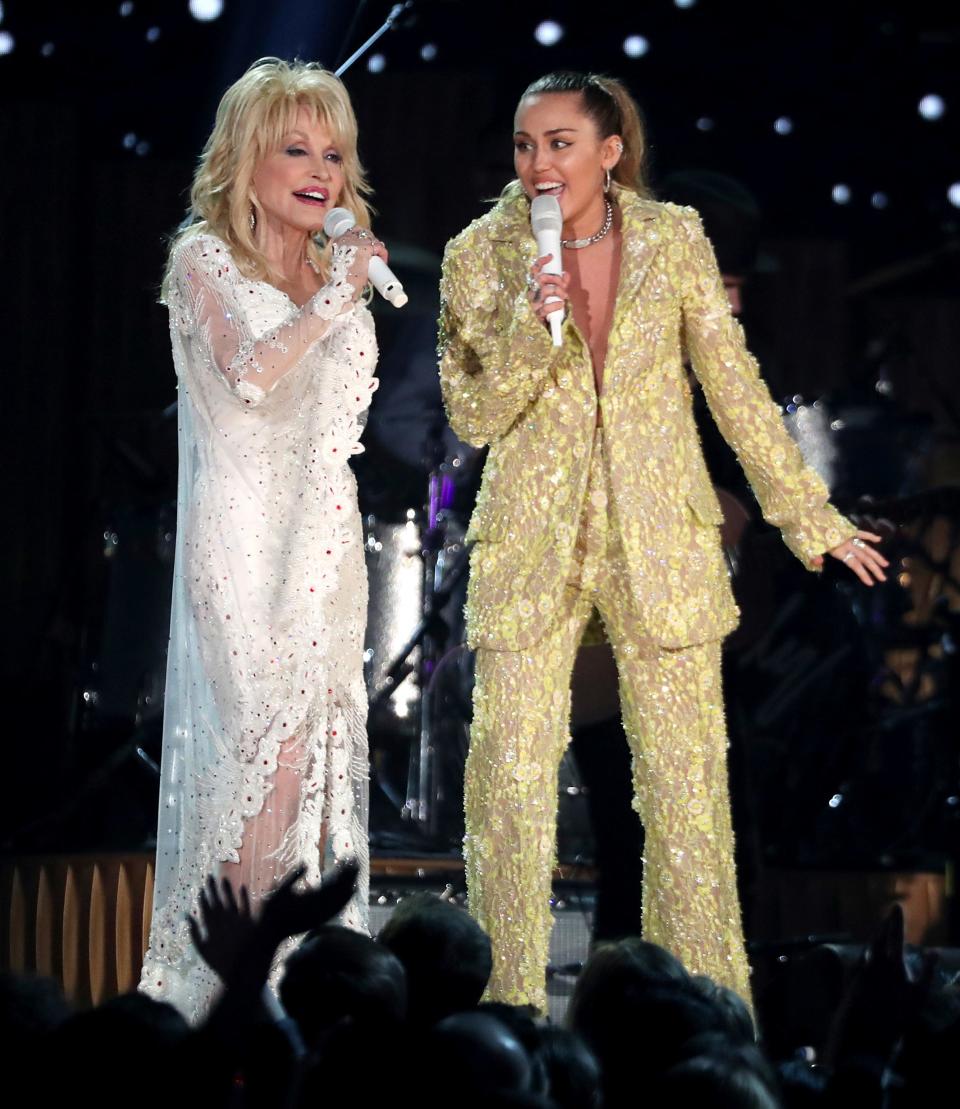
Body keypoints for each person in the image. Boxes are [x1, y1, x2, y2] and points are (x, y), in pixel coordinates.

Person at [438, 70, 888, 1012]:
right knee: (508, 791)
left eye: (561, 143)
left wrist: (810, 518)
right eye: (525, 145)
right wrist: (533, 318)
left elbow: (734, 384)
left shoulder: (675, 237)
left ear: (610, 151)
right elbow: (472, 411)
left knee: (688, 800)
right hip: (533, 538)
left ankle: (707, 1016)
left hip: (661, 536)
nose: (538, 164)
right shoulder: (478, 253)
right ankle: (503, 1019)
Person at [139, 57, 386, 1021]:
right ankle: (219, 1009)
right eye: (296, 147)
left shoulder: (338, 272)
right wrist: (334, 302)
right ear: (248, 159)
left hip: (323, 551)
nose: (320, 167)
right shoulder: (204, 259)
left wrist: (341, 289)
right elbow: (250, 377)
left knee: (309, 777)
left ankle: (285, 1006)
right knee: (262, 774)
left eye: (334, 150)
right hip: (243, 549)